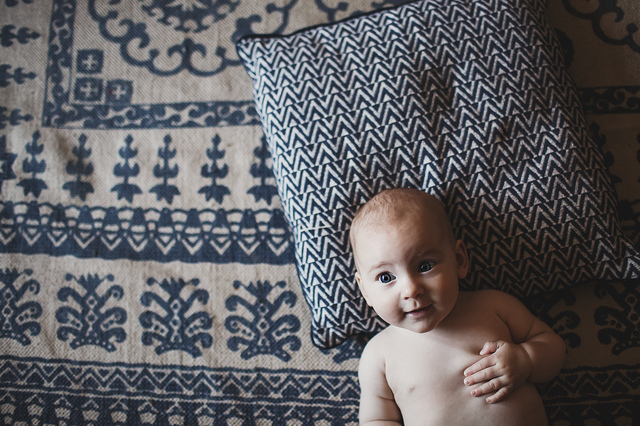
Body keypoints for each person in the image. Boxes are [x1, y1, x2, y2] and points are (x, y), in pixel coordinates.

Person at [350, 188, 566, 425]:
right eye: (385, 277)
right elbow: (376, 419)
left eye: (425, 266)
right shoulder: (378, 355)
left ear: (460, 260)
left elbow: (553, 346)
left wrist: (526, 359)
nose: (411, 290)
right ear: (364, 290)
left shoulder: (493, 305)